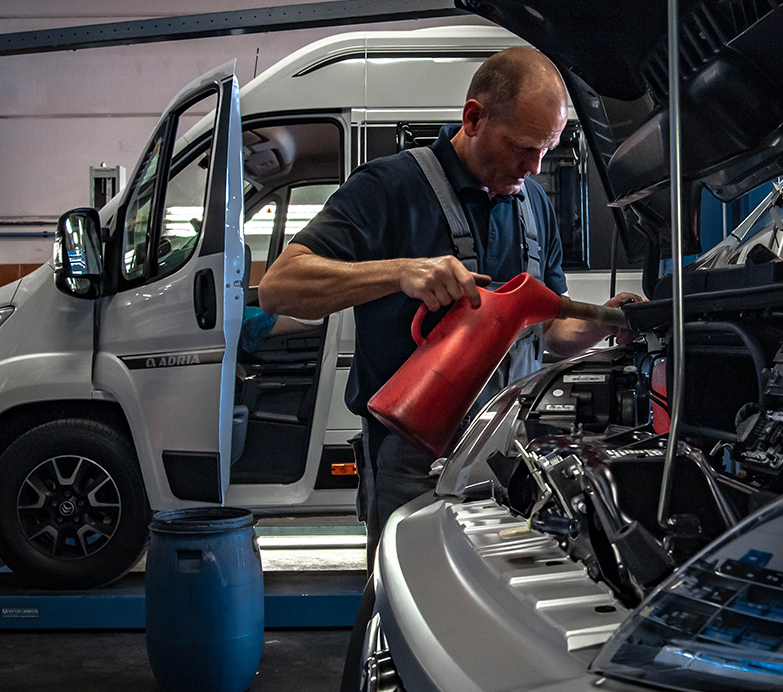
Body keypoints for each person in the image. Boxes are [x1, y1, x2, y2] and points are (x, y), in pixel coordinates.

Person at [258, 47, 638, 555]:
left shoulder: (535, 205)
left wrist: (603, 321)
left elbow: (547, 333)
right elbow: (279, 287)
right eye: (522, 147)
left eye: (546, 149)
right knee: (405, 601)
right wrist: (400, 272)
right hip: (414, 459)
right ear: (474, 118)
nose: (535, 166)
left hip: (510, 450)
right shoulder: (389, 188)